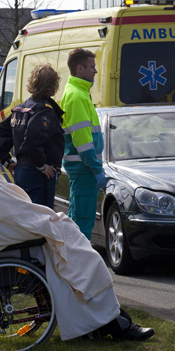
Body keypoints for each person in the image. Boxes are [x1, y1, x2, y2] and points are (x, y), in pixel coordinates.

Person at [0, 147, 155, 342]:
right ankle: (117, 323)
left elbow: (14, 216)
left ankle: (107, 322)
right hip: (19, 251)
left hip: (3, 249)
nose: (0, 173)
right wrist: (49, 223)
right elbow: (20, 216)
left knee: (75, 254)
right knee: (86, 261)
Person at [0, 64, 64, 209]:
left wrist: (7, 162)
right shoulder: (43, 111)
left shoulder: (21, 109)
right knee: (40, 218)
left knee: (24, 215)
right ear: (53, 85)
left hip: (22, 171)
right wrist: (41, 165)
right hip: (38, 175)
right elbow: (33, 139)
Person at [60, 48, 105, 240]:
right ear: (80, 68)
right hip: (84, 168)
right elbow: (84, 142)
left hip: (82, 168)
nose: (95, 71)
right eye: (92, 67)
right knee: (82, 224)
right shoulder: (77, 96)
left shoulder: (79, 93)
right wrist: (96, 168)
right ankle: (79, 267)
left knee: (78, 218)